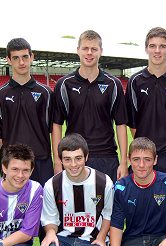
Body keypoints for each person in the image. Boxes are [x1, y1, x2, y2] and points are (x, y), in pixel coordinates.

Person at [39, 133, 114, 246]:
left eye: (78, 158)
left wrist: (102, 237)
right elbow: (50, 217)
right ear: (61, 160)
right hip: (63, 238)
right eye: (67, 159)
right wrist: (50, 233)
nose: (73, 165)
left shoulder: (103, 182)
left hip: (91, 240)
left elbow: (108, 214)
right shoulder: (52, 185)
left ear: (86, 157)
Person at [52, 30, 128, 183]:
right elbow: (57, 125)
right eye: (85, 48)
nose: (89, 53)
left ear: (101, 51)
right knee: (74, 206)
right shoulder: (64, 84)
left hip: (106, 157)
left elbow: (121, 124)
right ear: (78, 50)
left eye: (94, 49)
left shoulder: (113, 84)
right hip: (74, 158)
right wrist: (58, 162)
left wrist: (124, 162)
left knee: (106, 206)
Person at [125, 27, 166, 191]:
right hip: (145, 158)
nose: (157, 51)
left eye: (162, 46)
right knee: (145, 210)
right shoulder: (135, 81)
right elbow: (133, 124)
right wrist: (147, 150)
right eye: (153, 46)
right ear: (146, 48)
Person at [0, 37, 54, 186]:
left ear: (32, 57)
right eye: (16, 58)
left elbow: (53, 129)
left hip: (41, 162)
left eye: (25, 57)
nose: (21, 62)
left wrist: (56, 161)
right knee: (11, 208)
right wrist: (9, 159)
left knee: (42, 207)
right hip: (12, 165)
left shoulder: (46, 93)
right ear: (8, 60)